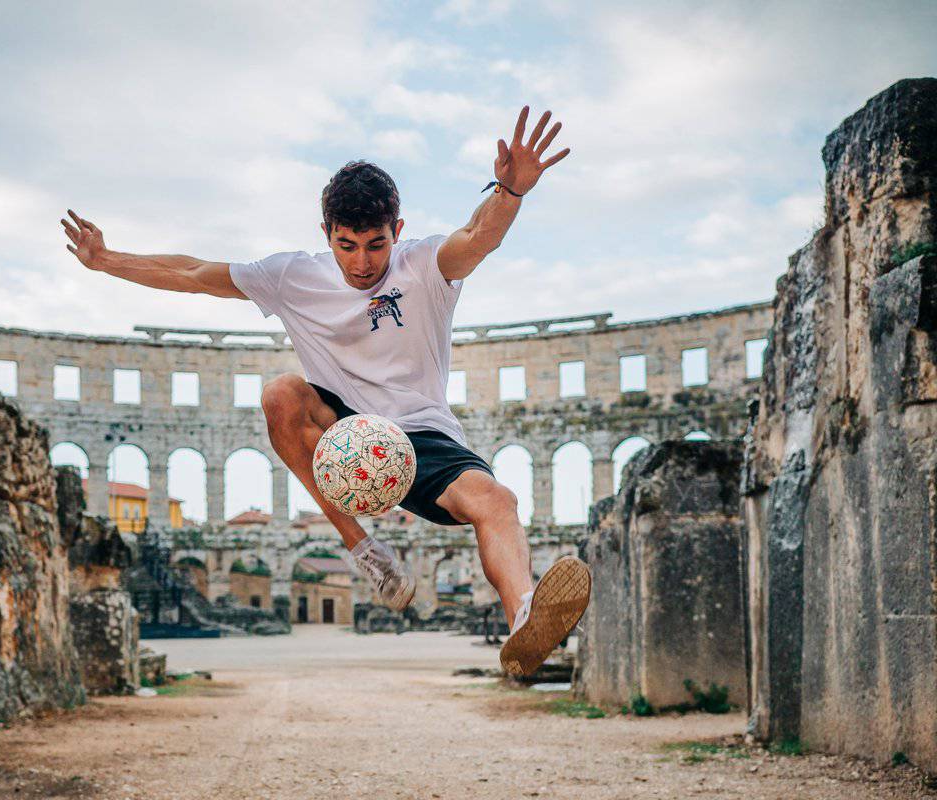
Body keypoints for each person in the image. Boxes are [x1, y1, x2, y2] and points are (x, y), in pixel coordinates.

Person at [62, 106, 591, 676]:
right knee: (281, 393)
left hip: (424, 437)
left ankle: (525, 624)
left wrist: (509, 191)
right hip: (346, 432)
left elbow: (479, 235)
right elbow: (194, 274)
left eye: (376, 244)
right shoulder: (293, 276)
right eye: (347, 245)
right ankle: (365, 550)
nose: (362, 263)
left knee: (498, 503)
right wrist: (105, 261)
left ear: (398, 231)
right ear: (326, 235)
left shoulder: (425, 266)